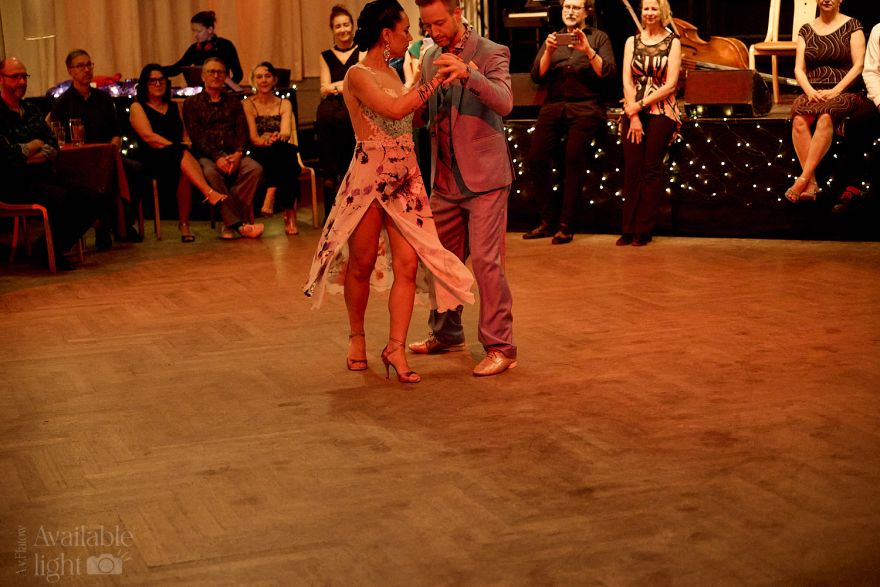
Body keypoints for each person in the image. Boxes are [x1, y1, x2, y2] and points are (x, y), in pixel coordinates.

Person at [303, 0, 475, 384]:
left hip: (404, 179)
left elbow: (406, 115)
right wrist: (435, 81)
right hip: (369, 179)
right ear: (386, 35)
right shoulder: (357, 74)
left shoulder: (396, 74)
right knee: (362, 263)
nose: (410, 37)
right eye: (405, 30)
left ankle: (395, 347)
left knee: (409, 265)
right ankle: (357, 337)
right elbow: (394, 110)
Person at [408, 0, 517, 377]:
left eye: (439, 23)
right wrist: (412, 103)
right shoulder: (428, 58)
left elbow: (505, 102)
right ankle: (446, 333)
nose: (434, 32)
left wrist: (469, 74)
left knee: (487, 263)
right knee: (440, 261)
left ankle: (501, 346)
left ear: (457, 14)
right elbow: (424, 117)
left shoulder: (491, 52)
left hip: (486, 179)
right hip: (444, 178)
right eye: (427, 26)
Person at [522, 0, 616, 245]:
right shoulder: (554, 38)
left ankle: (566, 224)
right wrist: (549, 51)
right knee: (535, 157)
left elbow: (608, 72)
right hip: (555, 105)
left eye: (576, 7)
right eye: (567, 7)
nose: (570, 12)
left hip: (586, 106)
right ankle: (547, 219)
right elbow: (536, 75)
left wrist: (588, 51)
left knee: (573, 158)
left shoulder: (598, 37)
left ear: (587, 12)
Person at [0, 57, 102, 271]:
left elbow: (53, 145)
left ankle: (46, 247)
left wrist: (28, 152)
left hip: (44, 177)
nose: (21, 82)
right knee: (64, 200)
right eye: (15, 77)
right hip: (14, 184)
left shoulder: (32, 110)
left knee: (93, 197)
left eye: (24, 76)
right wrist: (37, 144)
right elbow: (7, 156)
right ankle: (50, 252)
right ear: (1, 79)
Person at [129, 64, 228, 243]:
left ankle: (184, 224)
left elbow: (185, 134)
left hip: (177, 157)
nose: (158, 84)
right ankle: (208, 192)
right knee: (181, 154)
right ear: (144, 84)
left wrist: (185, 144)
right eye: (153, 80)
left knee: (185, 169)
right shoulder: (138, 107)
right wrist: (176, 147)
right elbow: (149, 137)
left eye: (161, 80)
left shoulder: (175, 106)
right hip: (152, 158)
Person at [50, 49, 135, 248]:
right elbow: (57, 138)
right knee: (95, 178)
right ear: (70, 71)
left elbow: (116, 132)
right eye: (80, 66)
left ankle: (123, 223)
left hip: (105, 157)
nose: (86, 70)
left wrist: (112, 151)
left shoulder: (104, 99)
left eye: (89, 65)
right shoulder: (62, 103)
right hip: (77, 162)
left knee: (135, 170)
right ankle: (102, 227)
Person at [785, 0, 868, 203]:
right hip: (813, 90)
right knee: (799, 119)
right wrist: (809, 91)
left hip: (845, 90)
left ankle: (802, 179)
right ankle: (811, 183)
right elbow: (798, 69)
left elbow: (859, 65)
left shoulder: (852, 25)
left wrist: (835, 91)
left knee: (825, 116)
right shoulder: (806, 29)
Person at [617, 0, 681, 247]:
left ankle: (644, 230)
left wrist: (640, 105)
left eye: (654, 8)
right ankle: (628, 228)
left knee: (650, 169)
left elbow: (670, 85)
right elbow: (627, 80)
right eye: (646, 8)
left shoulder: (673, 42)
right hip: (633, 109)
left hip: (661, 109)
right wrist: (633, 114)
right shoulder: (631, 41)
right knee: (632, 169)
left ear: (662, 11)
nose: (650, 12)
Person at [183, 57, 264, 239]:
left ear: (225, 76)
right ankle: (239, 225)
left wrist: (237, 154)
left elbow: (242, 131)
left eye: (220, 72)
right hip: (207, 156)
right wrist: (217, 157)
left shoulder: (234, 102)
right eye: (211, 72)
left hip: (233, 154)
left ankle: (229, 223)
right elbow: (197, 136)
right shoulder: (191, 104)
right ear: (203, 76)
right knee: (210, 173)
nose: (216, 76)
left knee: (254, 168)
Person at [243, 62, 301, 235]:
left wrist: (275, 137)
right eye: (259, 77)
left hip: (278, 147)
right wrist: (265, 141)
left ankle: (271, 192)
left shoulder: (285, 103)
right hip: (257, 151)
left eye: (267, 76)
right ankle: (289, 214)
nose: (264, 80)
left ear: (275, 79)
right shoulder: (247, 104)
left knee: (284, 150)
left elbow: (285, 132)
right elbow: (253, 137)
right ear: (253, 81)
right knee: (290, 160)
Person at [316, 4, 360, 221]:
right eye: (338, 26)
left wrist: (335, 86)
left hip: (354, 110)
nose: (343, 29)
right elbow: (323, 89)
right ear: (332, 30)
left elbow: (360, 84)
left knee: (352, 161)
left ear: (352, 27)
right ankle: (331, 215)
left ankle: (353, 212)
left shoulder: (362, 51)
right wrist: (345, 85)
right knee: (325, 119)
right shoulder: (325, 56)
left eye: (346, 25)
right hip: (330, 112)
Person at [833, 22, 880, 213]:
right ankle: (853, 187)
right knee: (857, 124)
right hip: (879, 95)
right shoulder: (878, 29)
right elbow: (871, 71)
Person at [167, 10, 243, 89]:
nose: (195, 35)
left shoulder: (225, 45)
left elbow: (238, 75)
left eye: (198, 31)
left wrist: (224, 88)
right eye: (194, 31)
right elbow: (176, 69)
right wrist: (159, 70)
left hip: (222, 92)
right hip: (202, 92)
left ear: (210, 30)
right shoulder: (194, 49)